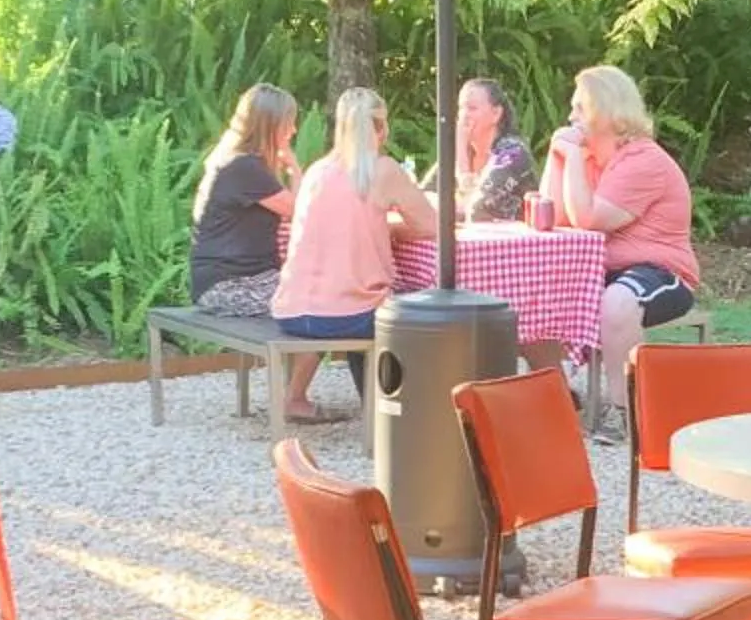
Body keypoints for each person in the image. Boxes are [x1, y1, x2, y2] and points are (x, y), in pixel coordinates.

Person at [270, 86, 434, 425]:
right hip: (348, 314)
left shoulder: (317, 171)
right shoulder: (383, 168)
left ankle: (306, 399)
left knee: (355, 303)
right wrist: (395, 228)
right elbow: (431, 226)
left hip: (292, 309)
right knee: (408, 311)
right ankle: (397, 413)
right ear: (382, 127)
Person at [545, 65, 695, 431]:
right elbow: (553, 216)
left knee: (617, 301)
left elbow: (588, 219)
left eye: (579, 108)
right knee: (534, 293)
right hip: (603, 269)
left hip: (660, 270)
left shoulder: (643, 160)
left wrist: (574, 157)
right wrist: (557, 155)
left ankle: (624, 409)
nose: (570, 118)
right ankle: (555, 397)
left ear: (604, 110)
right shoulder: (592, 160)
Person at [188, 84, 300, 317]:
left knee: (323, 291)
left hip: (248, 279)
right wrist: (295, 169)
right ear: (270, 126)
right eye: (289, 123)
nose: (294, 130)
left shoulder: (238, 162)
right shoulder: (245, 167)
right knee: (320, 297)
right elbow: (302, 211)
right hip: (229, 284)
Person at [455, 77, 533, 224]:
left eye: (472, 108)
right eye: (461, 108)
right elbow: (422, 199)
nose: (464, 116)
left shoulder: (512, 152)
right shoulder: (463, 152)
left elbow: (477, 208)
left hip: (512, 243)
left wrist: (462, 165)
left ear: (496, 114)